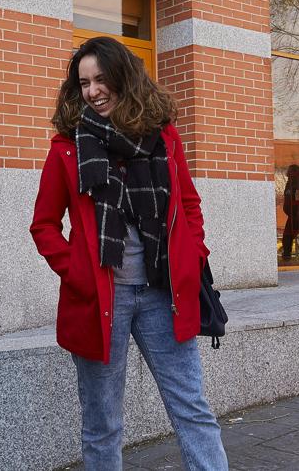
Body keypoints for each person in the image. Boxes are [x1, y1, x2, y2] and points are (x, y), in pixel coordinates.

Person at [30, 36, 229, 470]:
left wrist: (193, 255)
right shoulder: (68, 146)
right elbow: (44, 226)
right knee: (102, 422)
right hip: (102, 299)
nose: (93, 91)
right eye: (83, 83)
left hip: (163, 293)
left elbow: (188, 203)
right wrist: (78, 271)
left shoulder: (164, 137)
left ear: (125, 78)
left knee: (191, 408)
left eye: (102, 79)